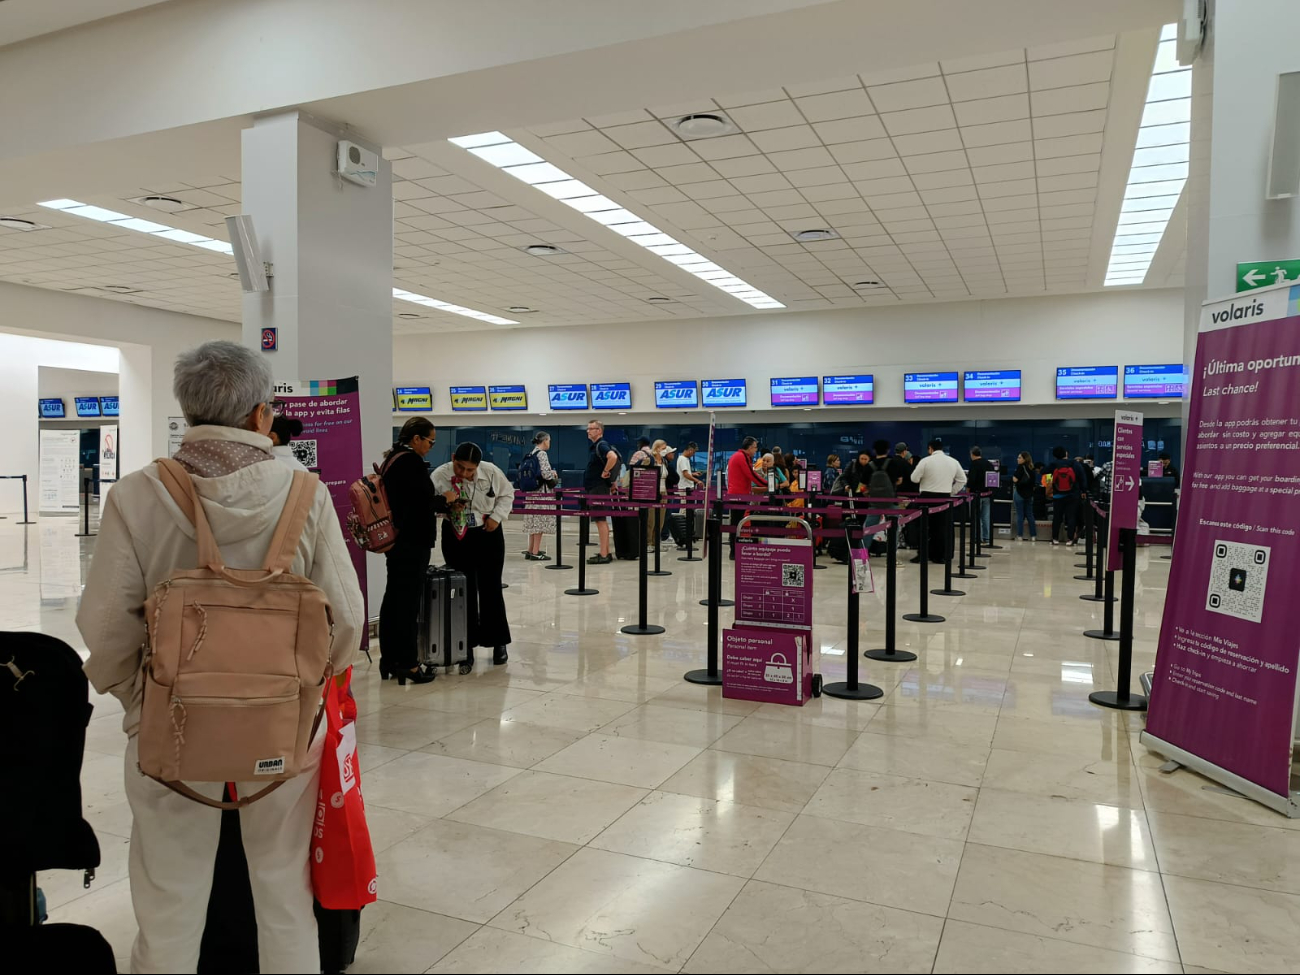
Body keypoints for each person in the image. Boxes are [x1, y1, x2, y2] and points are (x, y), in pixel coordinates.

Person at [76, 340, 364, 974]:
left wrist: (139, 699)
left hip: (171, 722)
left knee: (168, 893)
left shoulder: (138, 494)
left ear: (187, 410)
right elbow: (346, 620)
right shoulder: (304, 493)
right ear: (262, 415)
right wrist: (308, 689)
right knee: (285, 888)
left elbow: (102, 623)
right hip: (282, 723)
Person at [380, 416, 454, 685]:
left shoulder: (392, 458)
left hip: (396, 542)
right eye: (430, 442)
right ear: (416, 439)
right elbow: (422, 502)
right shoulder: (410, 461)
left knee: (393, 600)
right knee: (408, 604)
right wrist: (445, 500)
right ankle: (409, 664)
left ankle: (388, 660)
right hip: (412, 542)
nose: (431, 447)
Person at [432, 442, 515, 670]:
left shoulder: (490, 471)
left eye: (470, 470)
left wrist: (497, 517)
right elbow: (431, 504)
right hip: (456, 535)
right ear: (453, 459)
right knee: (462, 591)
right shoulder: (440, 475)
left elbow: (507, 495)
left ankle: (498, 642)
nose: (465, 474)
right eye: (460, 468)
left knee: (491, 588)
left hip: (488, 532)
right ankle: (464, 648)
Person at [910, 437, 966, 563]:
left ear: (930, 449)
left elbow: (914, 478)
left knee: (923, 528)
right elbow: (962, 480)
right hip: (944, 498)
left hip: (926, 498)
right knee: (941, 528)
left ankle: (923, 555)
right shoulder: (953, 461)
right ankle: (940, 556)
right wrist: (951, 492)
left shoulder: (925, 461)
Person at [585, 419, 620, 564]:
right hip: (599, 487)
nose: (588, 431)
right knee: (601, 520)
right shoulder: (598, 446)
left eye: (591, 428)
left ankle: (604, 553)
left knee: (600, 520)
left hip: (598, 488)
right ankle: (605, 551)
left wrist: (605, 472)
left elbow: (612, 457)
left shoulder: (602, 445)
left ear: (599, 430)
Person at [727, 436, 767, 558]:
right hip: (738, 496)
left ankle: (734, 550)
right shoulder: (742, 457)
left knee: (736, 522)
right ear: (749, 447)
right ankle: (733, 551)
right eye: (755, 448)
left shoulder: (739, 456)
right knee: (736, 523)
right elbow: (751, 475)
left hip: (737, 494)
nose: (756, 450)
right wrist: (768, 485)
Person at [521, 431, 557, 561]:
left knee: (533, 522)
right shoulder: (542, 454)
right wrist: (553, 474)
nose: (549, 443)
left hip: (531, 492)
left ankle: (530, 550)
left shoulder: (531, 453)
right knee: (540, 523)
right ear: (545, 441)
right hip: (541, 493)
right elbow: (546, 474)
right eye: (549, 440)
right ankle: (536, 552)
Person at [1047, 445, 1087, 546]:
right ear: (1066, 453)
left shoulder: (1054, 464)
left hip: (1058, 495)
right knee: (1071, 517)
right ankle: (1070, 539)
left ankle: (1055, 538)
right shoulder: (1074, 463)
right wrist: (1083, 490)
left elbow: (1043, 471)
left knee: (1057, 517)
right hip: (1073, 495)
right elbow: (1082, 477)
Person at [967, 446, 994, 544]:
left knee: (975, 517)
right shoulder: (988, 464)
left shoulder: (974, 464)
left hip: (975, 494)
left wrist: (968, 490)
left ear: (972, 454)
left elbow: (971, 480)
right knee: (986, 517)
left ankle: (977, 537)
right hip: (987, 494)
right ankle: (986, 538)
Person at [1011, 450, 1038, 541]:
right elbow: (1034, 483)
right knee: (1030, 515)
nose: (1017, 459)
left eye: (1019, 457)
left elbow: (1015, 479)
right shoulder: (1032, 469)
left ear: (1024, 459)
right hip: (1029, 494)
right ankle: (1033, 535)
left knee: (1020, 515)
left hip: (1019, 493)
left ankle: (1020, 535)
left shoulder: (1020, 467)